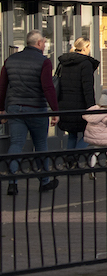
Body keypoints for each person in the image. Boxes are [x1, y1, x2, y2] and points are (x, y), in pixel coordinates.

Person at [0, 30, 61, 193]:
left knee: (16, 144)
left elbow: (3, 86)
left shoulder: (10, 60)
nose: (45, 45)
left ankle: (12, 182)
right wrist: (55, 110)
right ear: (39, 43)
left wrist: (1, 109)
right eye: (44, 43)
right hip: (36, 109)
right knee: (40, 144)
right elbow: (48, 87)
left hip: (15, 109)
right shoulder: (44, 62)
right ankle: (44, 181)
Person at [56, 37, 100, 151]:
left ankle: (70, 163)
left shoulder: (64, 63)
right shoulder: (86, 64)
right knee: (89, 135)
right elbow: (88, 88)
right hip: (81, 106)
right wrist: (92, 108)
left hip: (65, 105)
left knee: (72, 135)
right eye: (89, 47)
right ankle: (73, 157)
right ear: (85, 47)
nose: (89, 50)